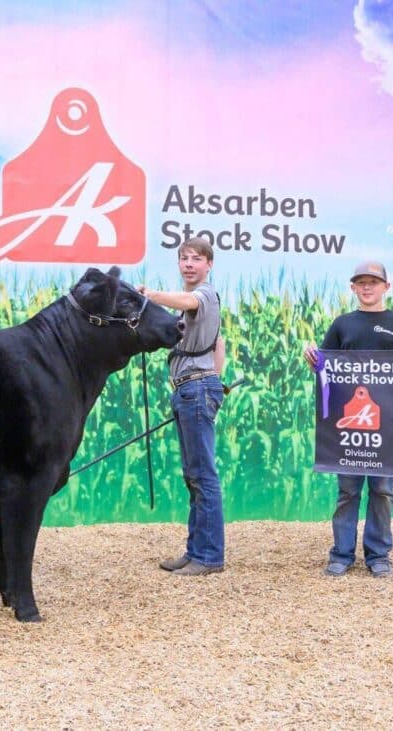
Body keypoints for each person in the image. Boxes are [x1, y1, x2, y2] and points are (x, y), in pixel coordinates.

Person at [303, 260, 393, 578]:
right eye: (361, 282)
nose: (367, 287)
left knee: (382, 492)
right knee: (347, 491)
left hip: (385, 428)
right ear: (353, 288)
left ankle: (378, 556)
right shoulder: (342, 325)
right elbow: (325, 370)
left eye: (373, 282)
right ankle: (342, 555)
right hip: (348, 427)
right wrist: (314, 361)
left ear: (385, 287)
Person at [138, 237, 226, 576]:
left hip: (195, 389)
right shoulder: (191, 303)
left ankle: (210, 557)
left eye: (196, 258)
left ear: (208, 264)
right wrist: (217, 382)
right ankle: (195, 552)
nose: (189, 264)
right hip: (192, 389)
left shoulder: (204, 294)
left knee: (203, 476)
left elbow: (186, 300)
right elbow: (219, 342)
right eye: (184, 258)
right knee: (194, 476)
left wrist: (149, 297)